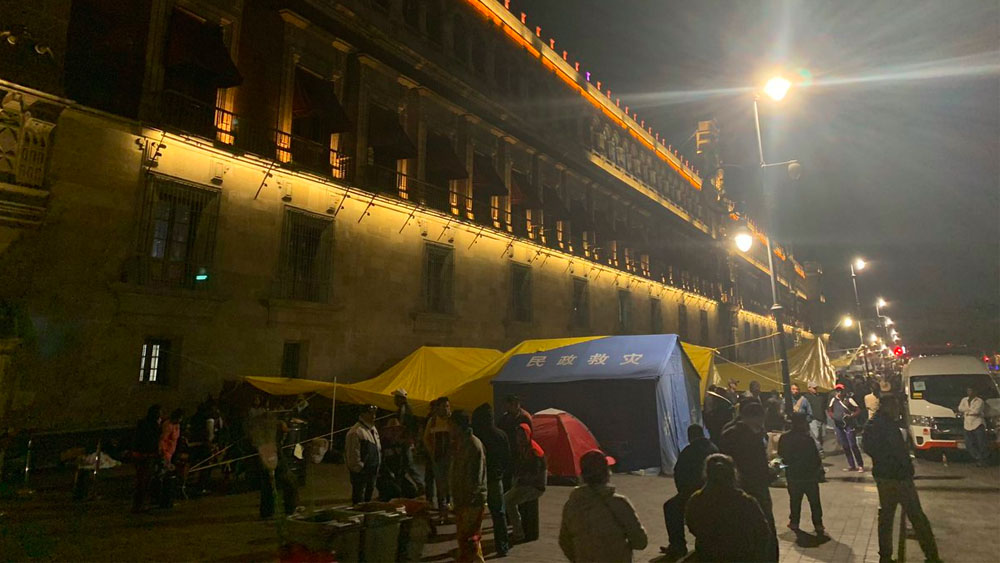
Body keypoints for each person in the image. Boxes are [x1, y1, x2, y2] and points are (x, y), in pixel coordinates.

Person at [862, 395, 942, 563]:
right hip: (898, 476)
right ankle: (931, 555)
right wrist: (907, 468)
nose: (898, 409)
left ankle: (885, 556)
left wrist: (880, 459)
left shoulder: (872, 424)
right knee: (916, 516)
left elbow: (867, 446)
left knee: (886, 516)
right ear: (888, 406)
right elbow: (898, 452)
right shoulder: (889, 426)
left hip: (883, 475)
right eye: (896, 406)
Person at [559, 450, 647, 562]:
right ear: (607, 473)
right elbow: (640, 542)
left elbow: (564, 542)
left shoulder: (572, 504)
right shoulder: (619, 503)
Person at [719, 401, 778, 562]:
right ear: (754, 418)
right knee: (765, 529)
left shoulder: (728, 432)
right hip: (754, 489)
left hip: (732, 489)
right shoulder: (749, 437)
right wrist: (772, 473)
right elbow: (757, 468)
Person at [685, 454, 771, 562]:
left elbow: (692, 526)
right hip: (741, 555)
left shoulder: (697, 500)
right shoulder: (746, 501)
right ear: (733, 474)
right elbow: (763, 531)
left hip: (708, 554)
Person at [661, 424, 718, 559]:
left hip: (693, 492)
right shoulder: (714, 448)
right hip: (713, 490)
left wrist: (683, 492)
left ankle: (677, 545)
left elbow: (679, 473)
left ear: (690, 437)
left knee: (670, 507)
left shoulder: (688, 451)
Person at [472, 403, 512, 557]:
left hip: (479, 480)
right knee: (499, 513)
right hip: (495, 478)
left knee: (475, 516)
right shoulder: (500, 435)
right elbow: (507, 458)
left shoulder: (476, 436)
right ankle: (502, 545)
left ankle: (474, 549)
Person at [450, 410, 488, 563]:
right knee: (469, 540)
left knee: (468, 539)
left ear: (458, 426)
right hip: (464, 500)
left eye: (451, 425)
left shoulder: (472, 445)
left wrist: (467, 500)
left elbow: (474, 478)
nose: (449, 429)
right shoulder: (461, 443)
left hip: (471, 501)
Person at [778, 413, 826, 536]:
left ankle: (794, 522)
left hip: (793, 474)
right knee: (814, 501)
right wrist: (817, 470)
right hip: (809, 475)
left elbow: (781, 454)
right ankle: (818, 524)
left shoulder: (784, 438)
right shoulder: (807, 439)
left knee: (794, 500)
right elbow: (815, 457)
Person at [504, 422, 546, 542]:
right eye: (518, 436)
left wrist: (520, 480)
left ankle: (518, 533)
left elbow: (534, 475)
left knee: (508, 502)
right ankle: (519, 529)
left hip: (535, 487)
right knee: (509, 498)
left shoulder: (533, 451)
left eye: (522, 436)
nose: (520, 438)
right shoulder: (526, 447)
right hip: (529, 484)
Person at [424, 396, 453, 520]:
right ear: (438, 408)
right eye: (444, 406)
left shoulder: (452, 420)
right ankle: (443, 509)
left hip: (452, 458)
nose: (446, 409)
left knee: (451, 483)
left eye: (448, 406)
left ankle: (451, 505)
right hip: (438, 458)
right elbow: (426, 438)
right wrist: (432, 452)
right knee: (440, 484)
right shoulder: (433, 421)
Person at [345, 404, 381, 504]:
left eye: (374, 413)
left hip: (372, 470)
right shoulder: (356, 432)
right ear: (362, 414)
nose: (373, 416)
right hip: (362, 473)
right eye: (370, 413)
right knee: (359, 499)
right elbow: (353, 454)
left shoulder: (372, 429)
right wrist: (359, 468)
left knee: (368, 499)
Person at [131, 404, 162, 513]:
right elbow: (150, 440)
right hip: (146, 455)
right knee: (143, 481)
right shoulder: (150, 426)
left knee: (144, 481)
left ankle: (141, 503)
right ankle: (139, 504)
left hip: (144, 455)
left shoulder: (144, 424)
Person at [827, 383, 865, 472]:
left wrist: (851, 416)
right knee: (845, 446)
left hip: (848, 425)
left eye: (840, 390)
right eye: (837, 390)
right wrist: (833, 416)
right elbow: (830, 410)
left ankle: (860, 465)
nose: (839, 392)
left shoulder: (849, 400)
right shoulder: (833, 400)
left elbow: (858, 410)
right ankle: (851, 465)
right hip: (838, 425)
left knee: (853, 445)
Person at [498, 394, 532, 490]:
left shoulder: (524, 417)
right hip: (508, 453)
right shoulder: (505, 418)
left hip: (520, 453)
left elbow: (529, 436)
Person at [958, 386, 988, 466]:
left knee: (980, 443)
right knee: (969, 443)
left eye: (971, 390)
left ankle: (983, 459)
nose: (970, 392)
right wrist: (969, 411)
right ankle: (977, 457)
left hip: (977, 423)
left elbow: (976, 411)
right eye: (968, 390)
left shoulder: (979, 401)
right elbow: (960, 408)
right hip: (967, 424)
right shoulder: (964, 400)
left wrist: (967, 411)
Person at [804, 383, 827, 455]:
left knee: (822, 435)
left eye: (816, 388)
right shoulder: (806, 397)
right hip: (813, 419)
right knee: (815, 435)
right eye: (814, 388)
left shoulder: (821, 397)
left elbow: (824, 407)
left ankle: (820, 448)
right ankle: (819, 450)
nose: (815, 389)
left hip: (822, 418)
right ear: (809, 388)